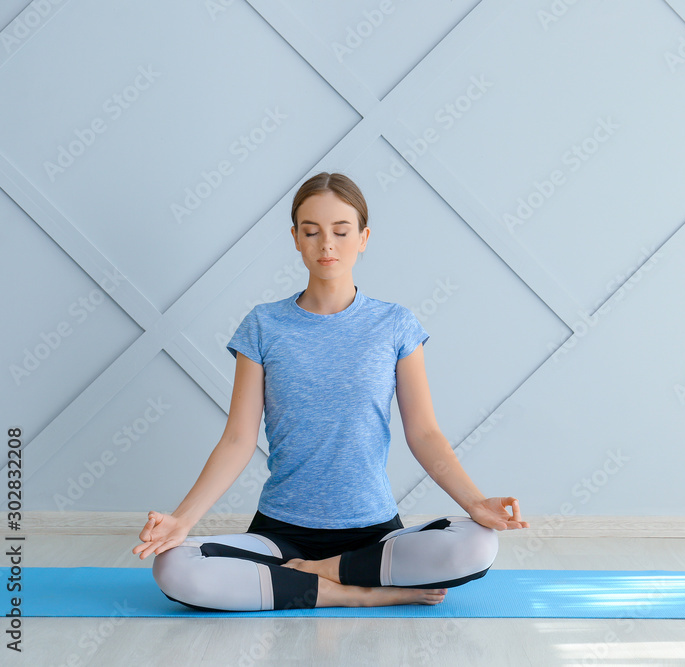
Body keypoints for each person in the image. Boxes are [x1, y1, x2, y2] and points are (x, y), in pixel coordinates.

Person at [132, 172, 529, 611]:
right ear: (296, 239)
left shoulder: (394, 324)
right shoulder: (264, 325)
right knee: (173, 567)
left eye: (341, 232)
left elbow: (425, 434)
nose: (327, 245)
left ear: (363, 238)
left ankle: (319, 575)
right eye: (312, 232)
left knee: (477, 544)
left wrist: (475, 503)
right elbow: (238, 439)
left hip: (373, 535)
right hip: (281, 534)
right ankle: (356, 593)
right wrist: (182, 520)